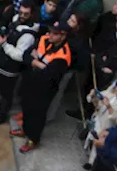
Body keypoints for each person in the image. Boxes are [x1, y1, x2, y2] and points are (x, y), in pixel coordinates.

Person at [13, 20, 73, 153]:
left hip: (44, 89)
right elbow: (26, 55)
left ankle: (33, 139)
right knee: (26, 106)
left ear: (63, 36)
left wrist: (35, 62)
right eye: (50, 32)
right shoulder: (44, 39)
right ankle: (25, 129)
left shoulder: (63, 55)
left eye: (55, 34)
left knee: (37, 114)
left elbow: (48, 75)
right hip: (30, 81)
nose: (50, 35)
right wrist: (38, 63)